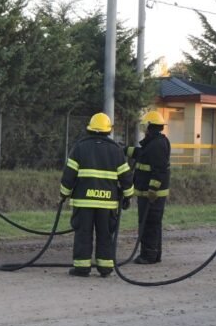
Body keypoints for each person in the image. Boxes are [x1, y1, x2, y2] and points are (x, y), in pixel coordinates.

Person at [60, 112, 134, 277]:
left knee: (83, 234)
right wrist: (128, 196)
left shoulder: (79, 147)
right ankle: (105, 267)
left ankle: (82, 267)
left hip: (83, 202)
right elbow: (126, 177)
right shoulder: (116, 150)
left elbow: (69, 175)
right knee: (105, 234)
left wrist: (63, 194)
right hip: (107, 203)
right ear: (108, 131)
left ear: (90, 129)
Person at [125, 111, 171, 264]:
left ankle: (148, 255)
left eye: (145, 125)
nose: (143, 129)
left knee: (149, 224)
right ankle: (154, 254)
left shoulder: (157, 144)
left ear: (150, 126)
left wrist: (152, 189)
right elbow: (141, 154)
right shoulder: (154, 142)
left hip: (152, 194)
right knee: (153, 223)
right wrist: (124, 149)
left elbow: (160, 169)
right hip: (149, 193)